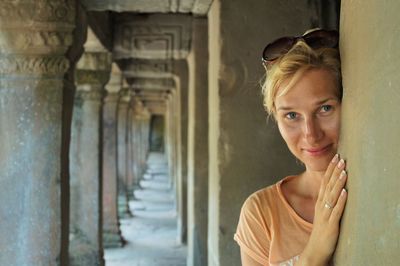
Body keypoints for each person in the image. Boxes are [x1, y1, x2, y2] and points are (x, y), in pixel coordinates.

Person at [234, 29, 347, 266]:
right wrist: (313, 255)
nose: (311, 134)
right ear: (276, 118)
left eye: (325, 108)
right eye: (292, 115)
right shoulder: (262, 214)